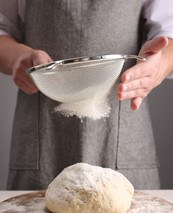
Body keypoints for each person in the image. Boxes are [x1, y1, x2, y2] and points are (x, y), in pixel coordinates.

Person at [0, 0, 173, 190]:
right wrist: (17, 56)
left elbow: (169, 32)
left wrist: (160, 63)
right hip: (43, 142)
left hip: (123, 136)